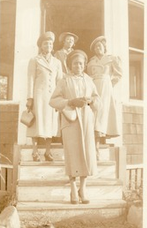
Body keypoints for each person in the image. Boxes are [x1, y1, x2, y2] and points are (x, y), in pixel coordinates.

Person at [49, 50, 101, 204]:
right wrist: (70, 102)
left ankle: (83, 189)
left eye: (80, 63)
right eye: (74, 63)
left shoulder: (89, 80)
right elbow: (53, 101)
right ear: (70, 65)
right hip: (70, 121)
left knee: (86, 154)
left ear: (84, 65)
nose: (78, 66)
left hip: (85, 120)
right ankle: (73, 188)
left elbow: (98, 100)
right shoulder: (64, 81)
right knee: (72, 154)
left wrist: (90, 100)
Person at [26, 31, 63, 161]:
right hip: (38, 96)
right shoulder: (34, 60)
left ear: (53, 46)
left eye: (50, 43)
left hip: (52, 97)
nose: (48, 45)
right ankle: (35, 152)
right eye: (45, 43)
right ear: (41, 46)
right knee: (36, 122)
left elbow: (60, 81)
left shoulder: (57, 62)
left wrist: (61, 98)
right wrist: (30, 98)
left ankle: (48, 152)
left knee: (50, 123)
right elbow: (31, 79)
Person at [87, 36, 122, 160]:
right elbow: (88, 77)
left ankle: (101, 146)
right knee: (95, 115)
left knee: (104, 115)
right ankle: (94, 149)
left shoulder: (111, 59)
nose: (98, 49)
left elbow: (118, 74)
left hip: (106, 89)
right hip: (95, 87)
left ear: (104, 47)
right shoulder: (91, 62)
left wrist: (110, 84)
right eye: (96, 47)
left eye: (100, 46)